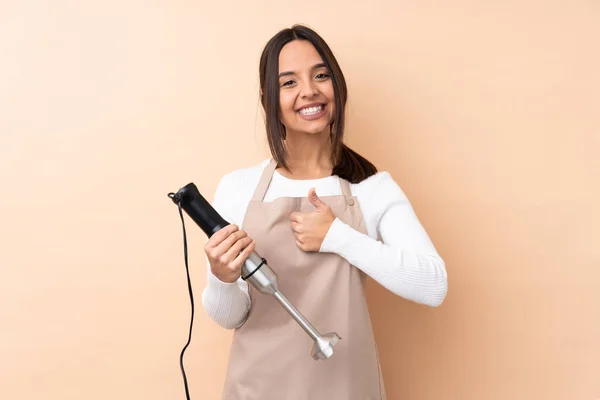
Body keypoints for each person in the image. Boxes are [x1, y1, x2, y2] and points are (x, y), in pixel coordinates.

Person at [201, 24, 448, 400]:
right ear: (269, 100)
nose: (309, 91)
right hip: (258, 389)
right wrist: (222, 277)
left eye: (321, 76)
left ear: (338, 86)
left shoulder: (372, 188)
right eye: (289, 83)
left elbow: (433, 285)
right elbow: (229, 317)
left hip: (346, 387)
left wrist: (339, 237)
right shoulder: (238, 188)